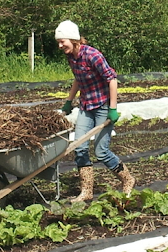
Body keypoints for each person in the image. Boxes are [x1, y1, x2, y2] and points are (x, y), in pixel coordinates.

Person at [55, 20, 134, 202]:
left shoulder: (93, 55)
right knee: (79, 148)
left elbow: (112, 79)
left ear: (74, 39)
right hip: (86, 106)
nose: (60, 45)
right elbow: (78, 79)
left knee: (101, 152)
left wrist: (112, 108)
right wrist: (69, 101)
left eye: (63, 41)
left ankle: (128, 180)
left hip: (103, 107)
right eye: (58, 42)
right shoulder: (71, 56)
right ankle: (86, 192)